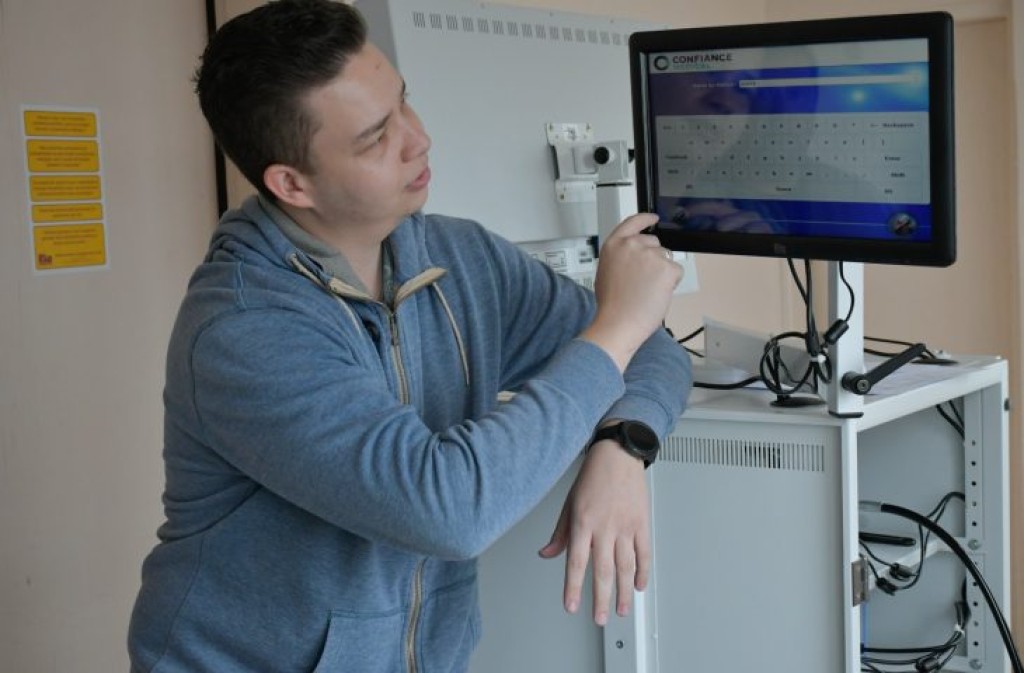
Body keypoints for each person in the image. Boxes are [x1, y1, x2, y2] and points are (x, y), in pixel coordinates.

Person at [127, 1, 691, 671]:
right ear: (292, 183)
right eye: (375, 138)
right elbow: (447, 509)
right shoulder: (243, 327)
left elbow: (653, 349)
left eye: (404, 103)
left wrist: (622, 443)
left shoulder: (461, 257)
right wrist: (614, 328)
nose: (418, 139)